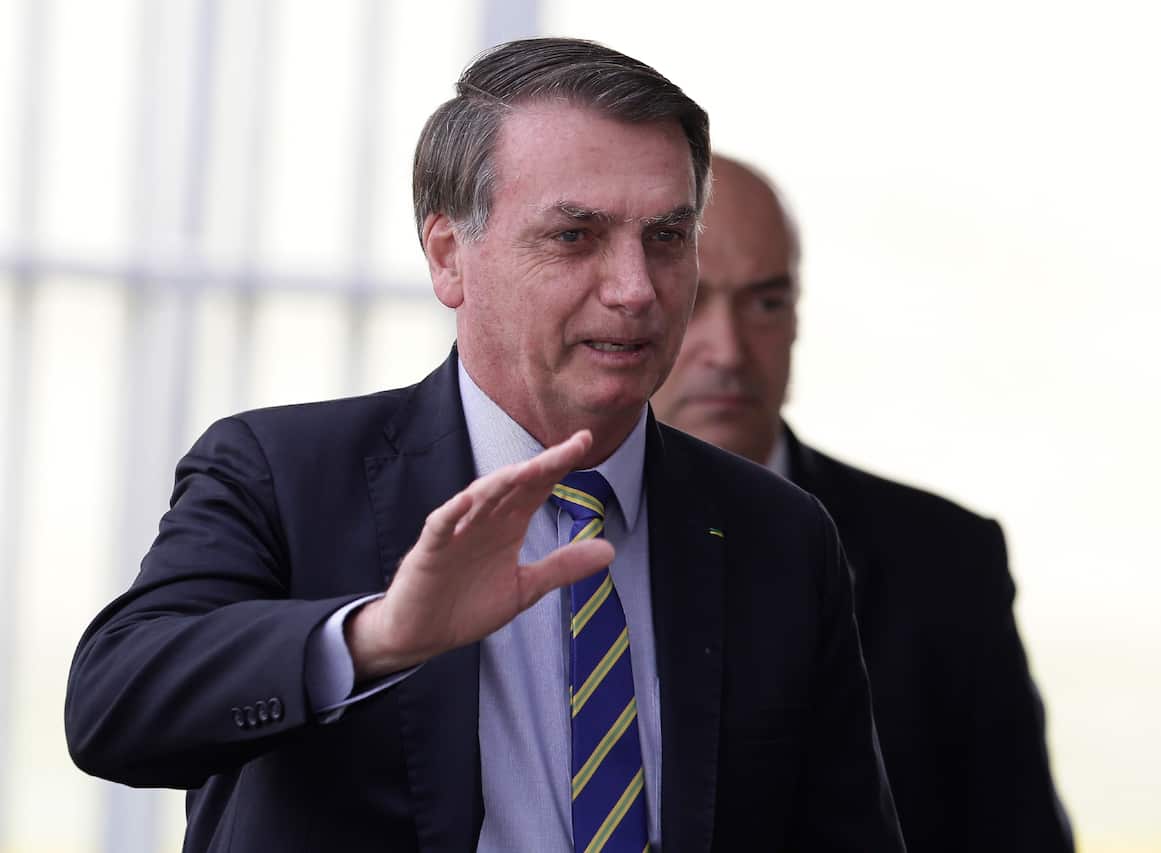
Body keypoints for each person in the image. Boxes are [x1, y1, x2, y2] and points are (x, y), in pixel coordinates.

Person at [64, 40, 905, 852]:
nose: (635, 289)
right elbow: (113, 705)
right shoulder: (281, 472)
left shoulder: (780, 533)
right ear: (448, 258)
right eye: (574, 236)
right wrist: (375, 638)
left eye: (666, 237)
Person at [650, 155, 1075, 852]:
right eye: (694, 300)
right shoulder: (528, 536)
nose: (727, 350)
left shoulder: (947, 559)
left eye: (766, 302)